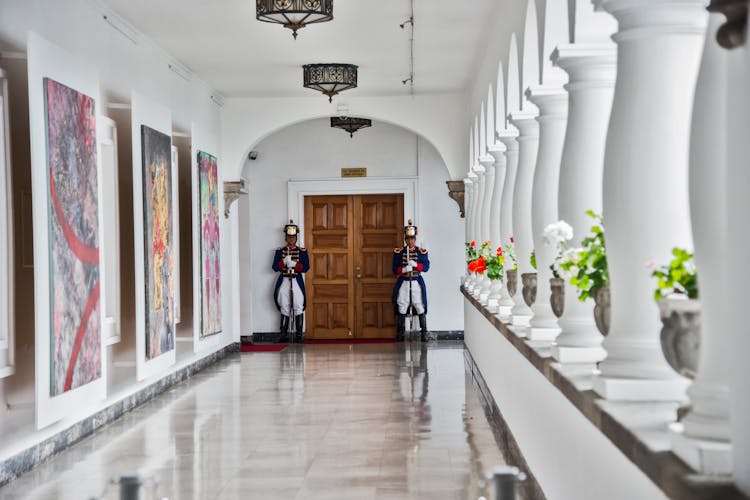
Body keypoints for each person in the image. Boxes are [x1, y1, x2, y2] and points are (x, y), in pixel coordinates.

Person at [392, 219, 430, 342]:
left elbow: (426, 267)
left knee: (419, 305)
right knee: (402, 304)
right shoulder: (399, 252)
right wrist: (403, 270)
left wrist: (416, 265)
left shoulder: (421, 252)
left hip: (416, 281)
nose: (410, 241)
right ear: (405, 239)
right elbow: (394, 269)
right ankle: (400, 333)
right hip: (404, 281)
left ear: (415, 239)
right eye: (408, 239)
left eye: (412, 238)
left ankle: (424, 333)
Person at [272, 220, 309, 343]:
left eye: (293, 237)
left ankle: (299, 335)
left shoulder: (302, 251)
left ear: (296, 238)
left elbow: (306, 268)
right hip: (284, 280)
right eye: (289, 237)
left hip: (296, 280)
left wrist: (295, 264)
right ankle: (283, 334)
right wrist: (283, 262)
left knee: (298, 305)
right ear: (285, 238)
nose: (291, 239)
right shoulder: (280, 251)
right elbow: (275, 268)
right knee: (284, 305)